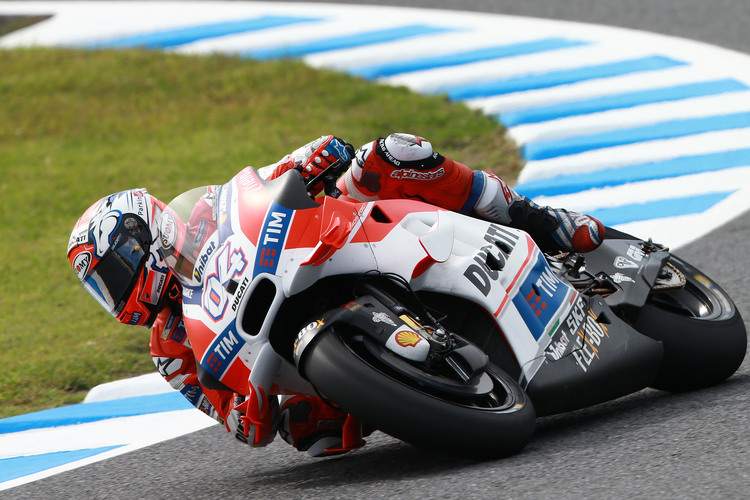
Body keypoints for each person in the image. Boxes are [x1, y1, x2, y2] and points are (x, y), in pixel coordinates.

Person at [67, 133, 604, 457]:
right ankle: (415, 385)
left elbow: (274, 180)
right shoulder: (169, 347)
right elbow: (231, 417)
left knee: (392, 154)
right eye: (101, 289)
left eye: (113, 274)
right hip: (287, 355)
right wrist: (247, 411)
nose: (114, 294)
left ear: (146, 238)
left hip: (323, 246)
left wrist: (315, 159)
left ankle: (537, 219)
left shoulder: (210, 210)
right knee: (314, 434)